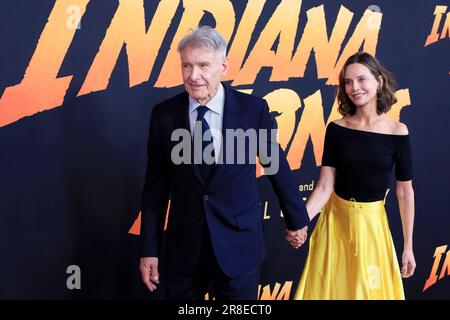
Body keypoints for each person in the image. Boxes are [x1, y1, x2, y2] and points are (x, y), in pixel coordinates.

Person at [139, 26, 309, 300]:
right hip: (185, 250)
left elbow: (275, 164)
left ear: (223, 66)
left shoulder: (252, 110)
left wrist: (297, 219)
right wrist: (149, 248)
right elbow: (155, 189)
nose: (194, 76)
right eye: (187, 65)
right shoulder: (164, 116)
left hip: (239, 245)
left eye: (203, 65)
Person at [292, 52, 416, 300]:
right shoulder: (337, 129)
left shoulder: (397, 132)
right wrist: (300, 222)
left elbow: (405, 192)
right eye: (348, 82)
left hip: (372, 227)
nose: (354, 87)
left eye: (361, 79)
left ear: (379, 81)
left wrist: (408, 247)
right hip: (333, 224)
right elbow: (325, 186)